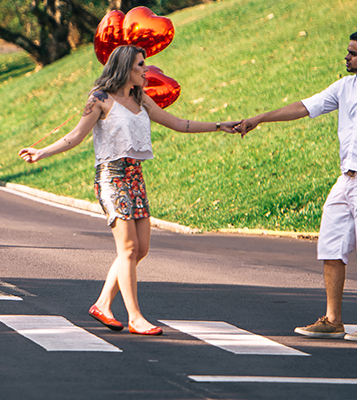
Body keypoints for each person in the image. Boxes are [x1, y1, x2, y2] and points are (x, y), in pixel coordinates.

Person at [20, 44, 238, 336]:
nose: (145, 70)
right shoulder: (99, 99)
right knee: (128, 248)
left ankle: (102, 304)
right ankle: (135, 317)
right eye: (140, 65)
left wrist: (219, 125)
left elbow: (178, 123)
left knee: (141, 249)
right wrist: (41, 152)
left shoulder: (140, 98)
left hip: (136, 177)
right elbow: (75, 136)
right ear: (124, 67)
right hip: (112, 178)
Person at [235, 29, 357, 343]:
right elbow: (305, 107)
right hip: (345, 179)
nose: (346, 57)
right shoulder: (345, 87)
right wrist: (261, 118)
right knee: (331, 246)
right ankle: (333, 320)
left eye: (352, 53)